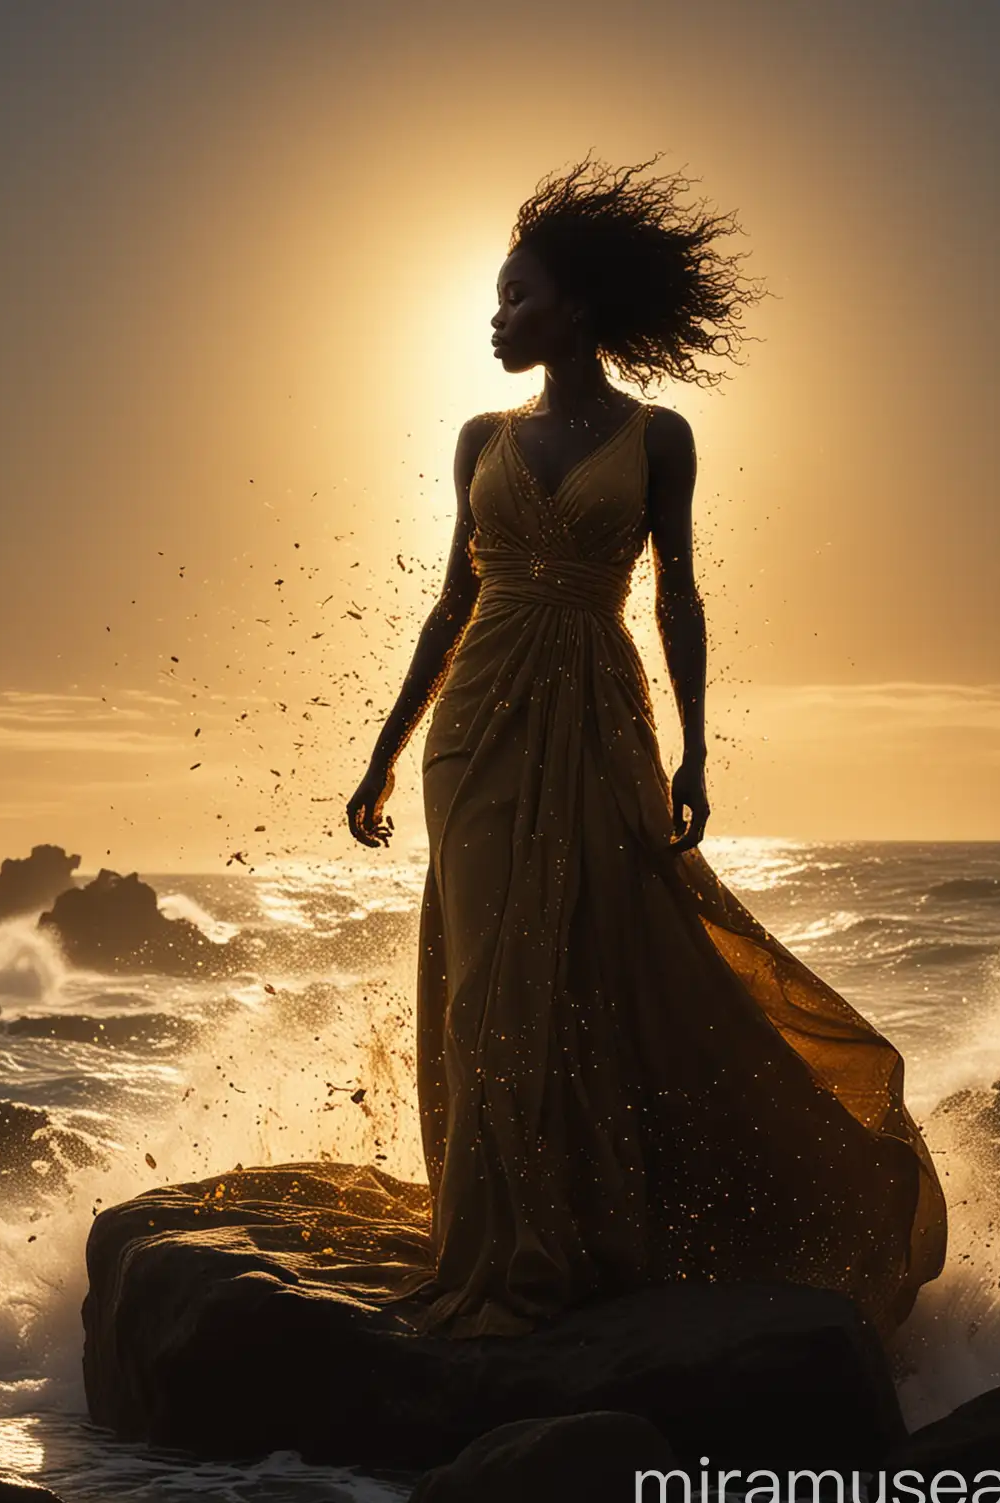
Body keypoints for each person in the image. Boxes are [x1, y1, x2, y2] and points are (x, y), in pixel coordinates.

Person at [345, 156, 947, 1342]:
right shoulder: (478, 439)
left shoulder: (659, 436)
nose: (497, 316)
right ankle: (498, 1238)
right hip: (471, 729)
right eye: (497, 296)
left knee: (593, 961)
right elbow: (445, 606)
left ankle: (593, 1224)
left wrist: (696, 752)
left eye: (517, 296)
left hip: (600, 714)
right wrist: (381, 752)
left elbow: (678, 597)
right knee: (483, 991)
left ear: (577, 305)